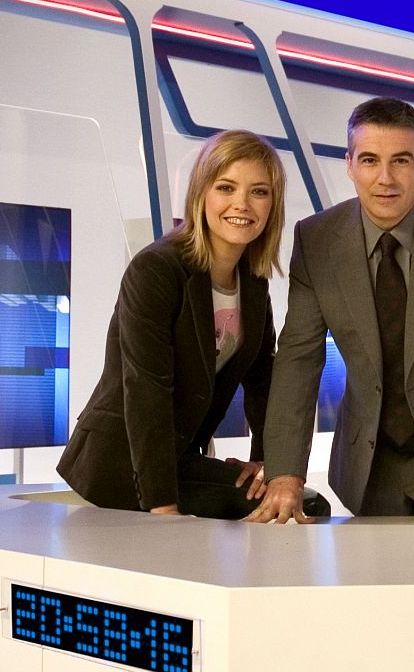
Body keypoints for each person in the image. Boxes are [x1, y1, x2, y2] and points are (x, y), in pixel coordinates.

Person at [246, 97, 414, 519]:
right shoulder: (317, 241)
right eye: (369, 160)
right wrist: (284, 474)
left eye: (400, 160)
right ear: (350, 165)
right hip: (368, 467)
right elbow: (298, 359)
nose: (385, 178)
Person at [57, 129, 285, 518]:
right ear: (201, 194)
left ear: (272, 205)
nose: (242, 204)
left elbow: (264, 382)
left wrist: (268, 464)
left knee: (294, 500)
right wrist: (163, 508)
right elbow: (147, 391)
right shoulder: (156, 269)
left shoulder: (252, 280)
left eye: (258, 192)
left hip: (179, 457)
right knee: (269, 513)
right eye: (226, 187)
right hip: (121, 460)